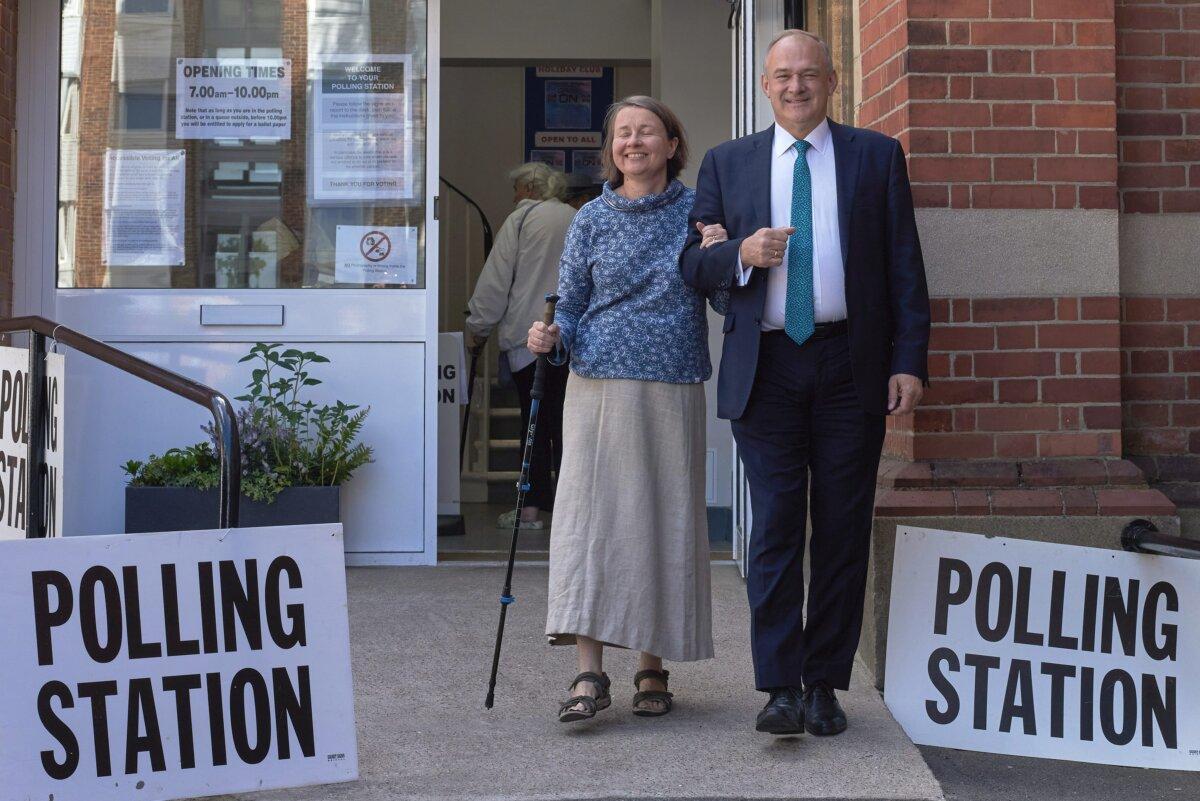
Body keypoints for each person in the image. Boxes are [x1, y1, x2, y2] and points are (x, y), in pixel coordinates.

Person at [680, 30, 931, 737]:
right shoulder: (727, 164)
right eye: (783, 76)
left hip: (851, 363)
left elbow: (904, 266)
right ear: (765, 85)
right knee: (778, 526)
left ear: (831, 83)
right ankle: (779, 686)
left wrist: (908, 359)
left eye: (810, 75)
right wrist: (738, 254)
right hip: (768, 368)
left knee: (845, 526)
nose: (796, 86)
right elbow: (691, 269)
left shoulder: (876, 157)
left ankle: (825, 684)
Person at [526, 96, 729, 722]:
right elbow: (573, 304)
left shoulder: (701, 211)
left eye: (647, 132)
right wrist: (550, 338)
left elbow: (725, 300)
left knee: (662, 521)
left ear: (672, 144)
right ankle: (589, 673)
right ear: (611, 149)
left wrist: (722, 252)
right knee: (591, 524)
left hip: (671, 384)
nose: (633, 143)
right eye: (622, 134)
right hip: (594, 387)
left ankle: (651, 664)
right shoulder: (589, 217)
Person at [466, 162, 577, 530]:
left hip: (529, 342)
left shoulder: (522, 220)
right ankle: (570, 509)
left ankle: (529, 508)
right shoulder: (578, 217)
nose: (514, 196)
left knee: (532, 427)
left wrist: (478, 326)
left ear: (530, 186)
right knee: (568, 427)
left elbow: (496, 281)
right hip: (573, 341)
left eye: (516, 188)